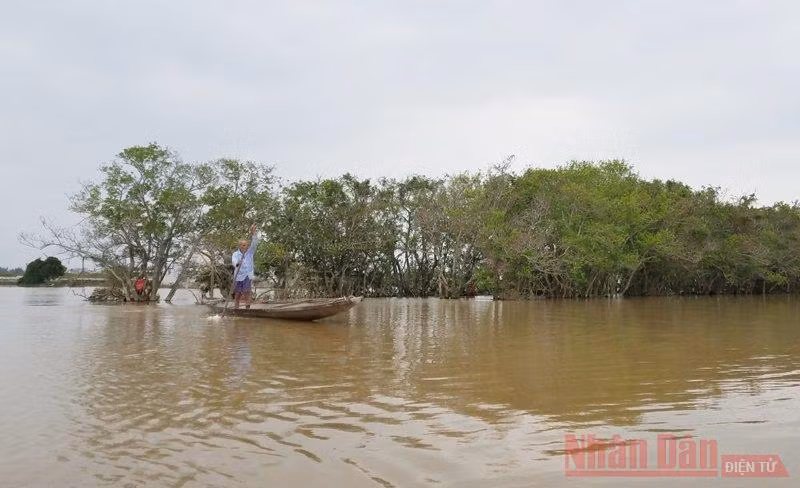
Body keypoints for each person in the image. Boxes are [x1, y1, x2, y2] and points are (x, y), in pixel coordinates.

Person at [231, 223, 260, 309]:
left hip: (247, 275)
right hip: (238, 276)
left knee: (247, 292)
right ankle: (236, 308)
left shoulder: (250, 253)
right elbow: (234, 262)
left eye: (246, 245)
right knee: (238, 294)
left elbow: (254, 244)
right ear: (240, 246)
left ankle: (248, 309)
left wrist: (254, 233)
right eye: (243, 245)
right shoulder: (236, 254)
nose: (245, 246)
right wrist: (238, 263)